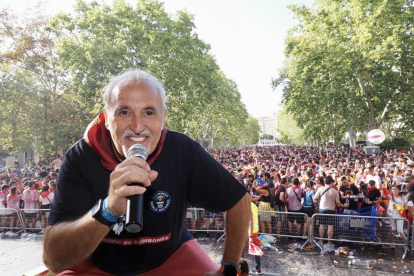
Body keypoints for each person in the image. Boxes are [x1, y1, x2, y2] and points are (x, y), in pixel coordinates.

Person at [43, 70, 250, 276]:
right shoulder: (80, 157)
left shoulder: (183, 150)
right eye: (124, 112)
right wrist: (109, 209)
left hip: (170, 258)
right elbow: (53, 259)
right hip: (95, 264)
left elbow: (238, 200)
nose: (137, 126)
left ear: (163, 118)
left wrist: (229, 267)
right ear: (106, 119)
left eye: (149, 112)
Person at [313, 176, 349, 250]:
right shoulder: (335, 191)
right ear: (331, 182)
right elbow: (338, 203)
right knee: (330, 226)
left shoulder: (321, 189)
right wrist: (344, 205)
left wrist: (319, 200)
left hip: (322, 209)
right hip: (331, 210)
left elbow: (315, 198)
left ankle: (321, 241)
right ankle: (329, 242)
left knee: (322, 225)